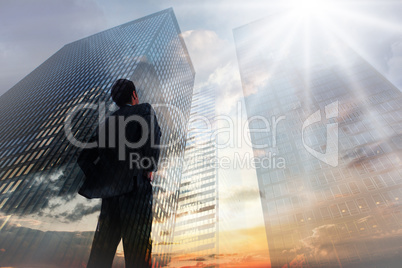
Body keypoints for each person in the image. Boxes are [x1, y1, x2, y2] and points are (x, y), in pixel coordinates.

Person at [78, 79, 161, 268]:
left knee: (100, 254)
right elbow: (152, 141)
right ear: (134, 95)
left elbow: (84, 157)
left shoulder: (106, 123)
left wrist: (105, 179)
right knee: (138, 254)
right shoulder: (144, 110)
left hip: (110, 196)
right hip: (135, 192)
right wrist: (148, 168)